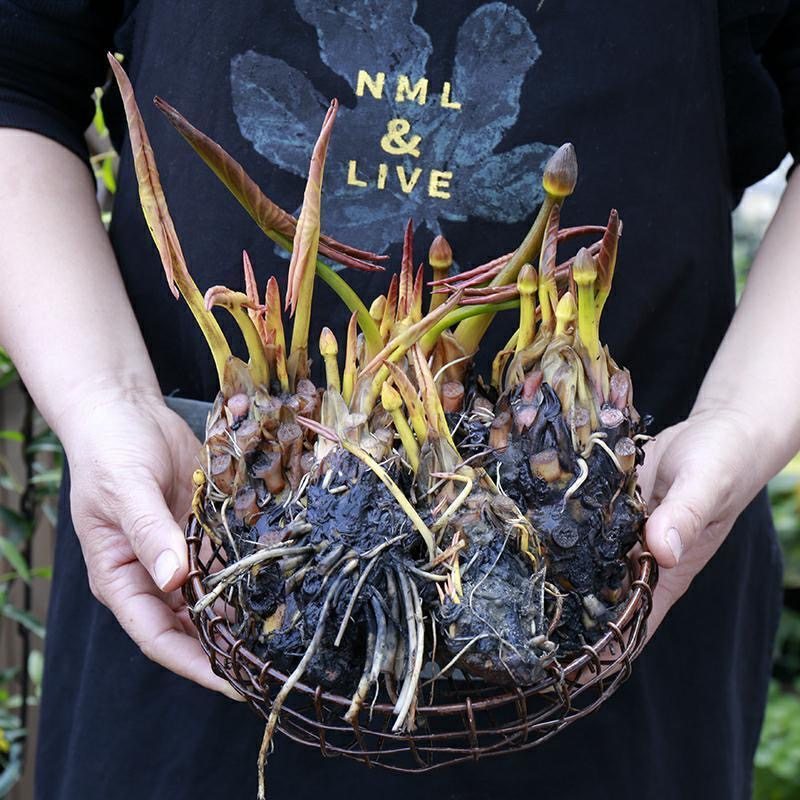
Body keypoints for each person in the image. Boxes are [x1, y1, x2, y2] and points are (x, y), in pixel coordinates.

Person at [0, 1, 798, 798]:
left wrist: (741, 422)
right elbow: (17, 78)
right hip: (194, 556)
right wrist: (104, 399)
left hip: (634, 567)